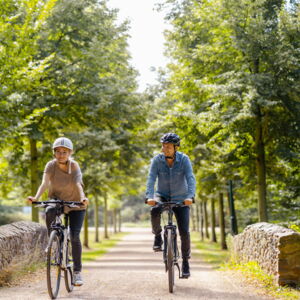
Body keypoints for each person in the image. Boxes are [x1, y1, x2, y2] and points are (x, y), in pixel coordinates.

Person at [28, 137, 88, 286]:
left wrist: (83, 198)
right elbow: (45, 183)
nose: (61, 154)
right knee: (49, 211)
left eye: (64, 152)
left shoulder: (74, 166)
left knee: (74, 236)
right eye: (58, 152)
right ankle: (52, 240)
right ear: (54, 153)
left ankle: (77, 273)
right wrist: (35, 197)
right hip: (57, 199)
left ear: (70, 153)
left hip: (76, 203)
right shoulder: (50, 165)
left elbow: (78, 184)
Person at [145, 133, 196, 278]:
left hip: (182, 198)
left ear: (175, 147)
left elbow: (190, 178)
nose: (164, 149)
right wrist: (149, 196)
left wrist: (190, 196)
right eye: (163, 146)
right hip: (162, 195)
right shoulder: (157, 160)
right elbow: (151, 179)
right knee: (154, 210)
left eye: (168, 146)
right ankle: (158, 236)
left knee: (184, 232)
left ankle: (185, 262)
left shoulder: (184, 160)